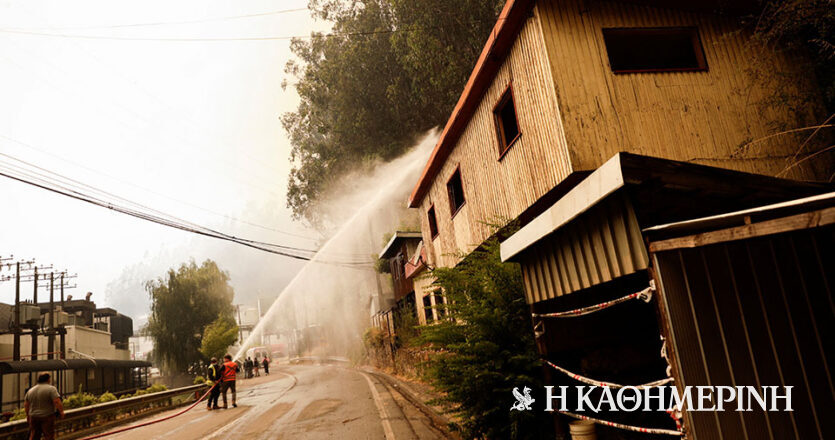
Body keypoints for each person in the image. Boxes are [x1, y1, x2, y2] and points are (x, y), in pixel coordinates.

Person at [24, 373, 64, 440]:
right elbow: (57, 401)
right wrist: (61, 411)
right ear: (48, 379)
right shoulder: (51, 389)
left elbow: (26, 404)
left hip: (33, 417)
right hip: (47, 416)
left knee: (34, 436)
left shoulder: (31, 390)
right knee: (48, 436)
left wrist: (28, 415)